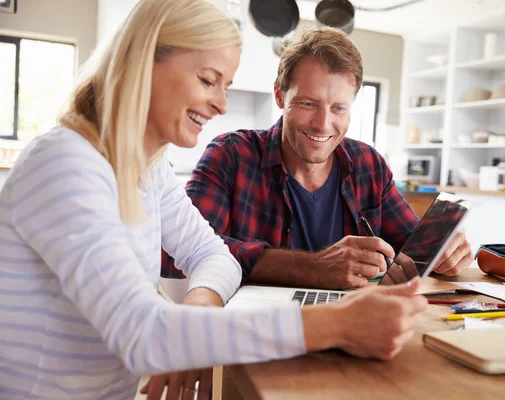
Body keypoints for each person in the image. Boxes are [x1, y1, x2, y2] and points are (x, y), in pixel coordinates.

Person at [0, 1, 428, 399]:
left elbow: (215, 255)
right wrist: (336, 322)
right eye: (208, 80)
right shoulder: (65, 162)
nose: (222, 104)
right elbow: (145, 334)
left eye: (226, 85)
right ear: (142, 65)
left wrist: (196, 317)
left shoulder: (148, 171)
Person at [161, 26, 473, 290]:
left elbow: (411, 246)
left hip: (356, 330)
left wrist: (442, 252)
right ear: (281, 96)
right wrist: (309, 267)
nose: (323, 125)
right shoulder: (231, 154)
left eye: (339, 108)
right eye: (309, 104)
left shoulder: (369, 165)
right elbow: (181, 256)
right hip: (259, 332)